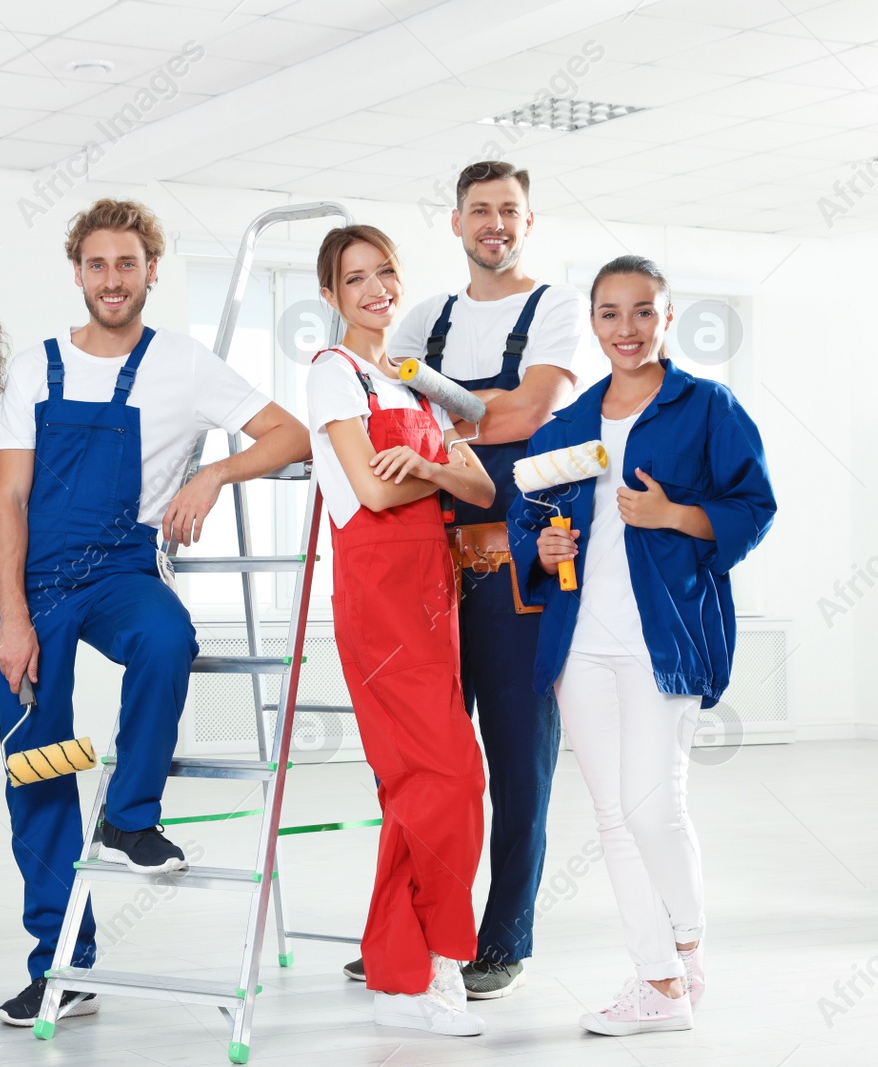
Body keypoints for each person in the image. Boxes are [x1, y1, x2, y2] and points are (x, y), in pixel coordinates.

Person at [0, 198, 311, 1027]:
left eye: (127, 264)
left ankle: (132, 815)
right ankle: (62, 961)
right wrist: (13, 616)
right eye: (97, 264)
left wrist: (214, 476)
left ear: (152, 271)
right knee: (40, 769)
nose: (112, 279)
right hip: (30, 576)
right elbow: (10, 497)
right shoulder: (34, 367)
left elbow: (292, 434)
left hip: (121, 566)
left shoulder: (186, 366)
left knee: (168, 636)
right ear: (79, 273)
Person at [510, 255, 775, 1035]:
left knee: (653, 806)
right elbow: (530, 513)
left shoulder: (708, 407)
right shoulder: (571, 421)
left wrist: (675, 516)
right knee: (613, 816)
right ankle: (657, 983)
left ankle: (688, 940)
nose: (626, 329)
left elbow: (754, 505)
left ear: (665, 317)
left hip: (667, 635)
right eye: (609, 313)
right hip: (581, 642)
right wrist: (541, 551)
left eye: (642, 312)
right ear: (593, 322)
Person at [346, 160, 582, 998]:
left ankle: (502, 935)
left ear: (528, 220)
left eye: (509, 210)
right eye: (479, 209)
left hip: (513, 570)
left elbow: (526, 415)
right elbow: (384, 419)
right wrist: (479, 408)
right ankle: (408, 925)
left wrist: (441, 410)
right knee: (421, 764)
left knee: (519, 763)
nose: (495, 223)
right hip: (425, 574)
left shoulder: (553, 308)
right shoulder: (420, 319)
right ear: (454, 223)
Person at [306, 225, 494, 1035]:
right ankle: (440, 962)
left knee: (418, 789)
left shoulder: (414, 383)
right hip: (380, 603)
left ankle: (401, 973)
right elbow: (371, 496)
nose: (376, 289)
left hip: (436, 598)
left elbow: (480, 486)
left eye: (386, 272)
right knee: (452, 777)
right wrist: (430, 474)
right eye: (356, 279)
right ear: (331, 296)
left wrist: (421, 464)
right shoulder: (332, 374)